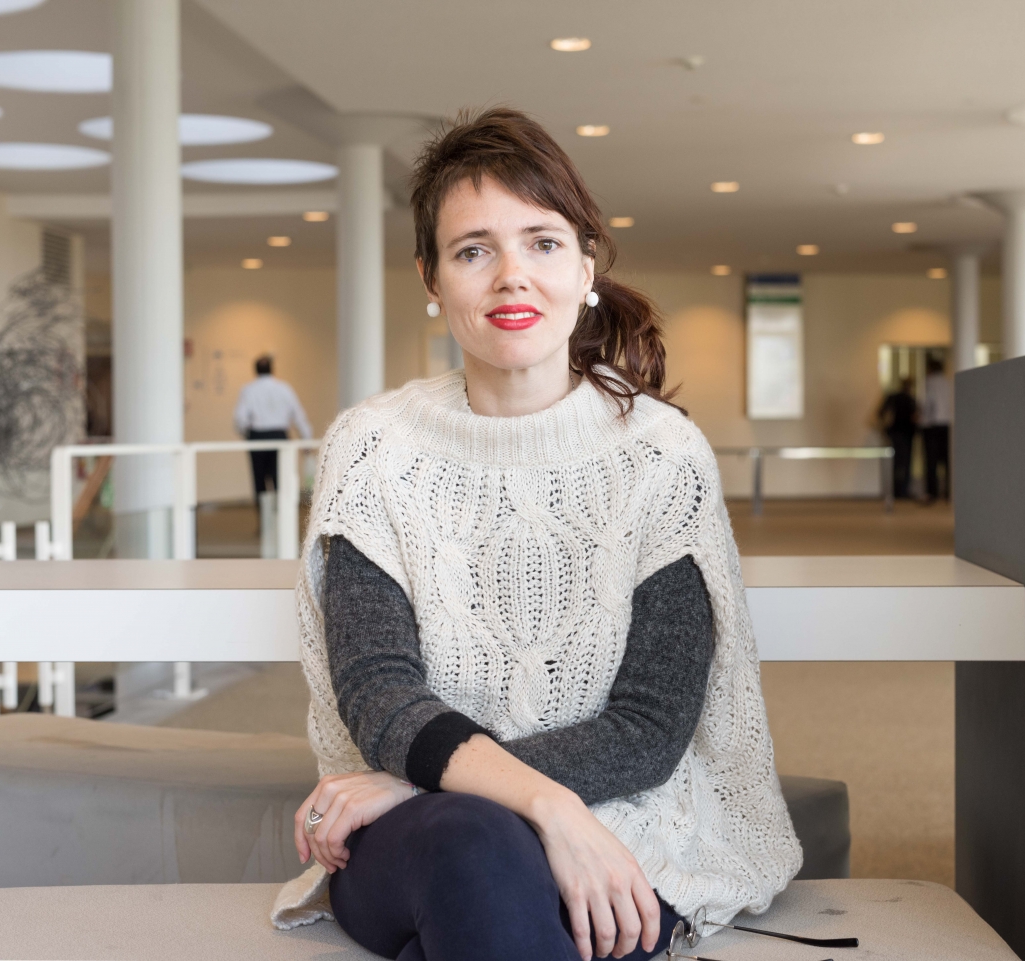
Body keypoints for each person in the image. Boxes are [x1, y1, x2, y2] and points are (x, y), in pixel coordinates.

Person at [282, 108, 800, 961]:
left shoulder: (662, 458)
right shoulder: (373, 450)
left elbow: (648, 726)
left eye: (543, 242)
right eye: (474, 249)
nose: (511, 277)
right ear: (432, 277)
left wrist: (419, 775)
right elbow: (378, 696)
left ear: (586, 263)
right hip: (421, 831)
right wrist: (546, 805)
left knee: (493, 916)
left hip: (622, 816)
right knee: (474, 849)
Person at [233, 355, 312, 508]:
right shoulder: (284, 388)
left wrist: (247, 434)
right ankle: (281, 517)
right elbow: (298, 415)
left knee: (259, 480)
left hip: (257, 437)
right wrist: (306, 439)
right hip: (279, 436)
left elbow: (240, 418)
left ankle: (264, 521)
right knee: (280, 479)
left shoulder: (248, 389)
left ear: (255, 370)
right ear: (272, 369)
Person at [878, 376, 918, 500]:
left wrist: (886, 428)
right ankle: (902, 491)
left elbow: (881, 412)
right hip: (905, 434)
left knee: (897, 463)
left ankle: (897, 491)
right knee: (904, 463)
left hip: (897, 433)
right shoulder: (909, 399)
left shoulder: (894, 397)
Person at [919, 356, 952, 504]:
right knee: (947, 460)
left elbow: (928, 404)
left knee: (931, 461)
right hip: (947, 424)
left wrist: (922, 419)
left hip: (932, 425)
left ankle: (932, 493)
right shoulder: (947, 382)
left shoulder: (930, 382)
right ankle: (949, 492)